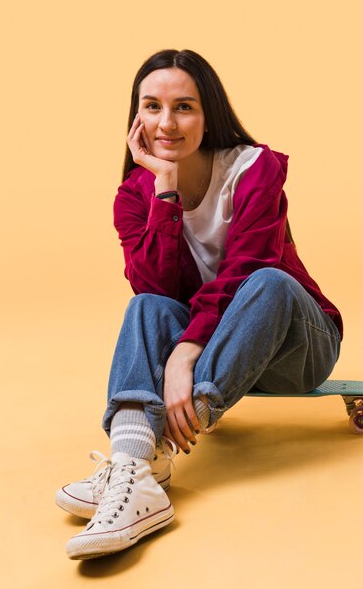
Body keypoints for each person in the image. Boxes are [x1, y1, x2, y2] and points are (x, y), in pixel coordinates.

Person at [56, 49, 343, 560]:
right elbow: (156, 289)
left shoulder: (255, 170)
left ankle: (146, 453)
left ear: (208, 114)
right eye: (152, 106)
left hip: (293, 344)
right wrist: (163, 189)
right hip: (224, 358)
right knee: (146, 306)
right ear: (136, 117)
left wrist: (187, 351)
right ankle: (137, 473)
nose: (166, 122)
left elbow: (247, 270)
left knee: (269, 282)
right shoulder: (134, 194)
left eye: (184, 106)